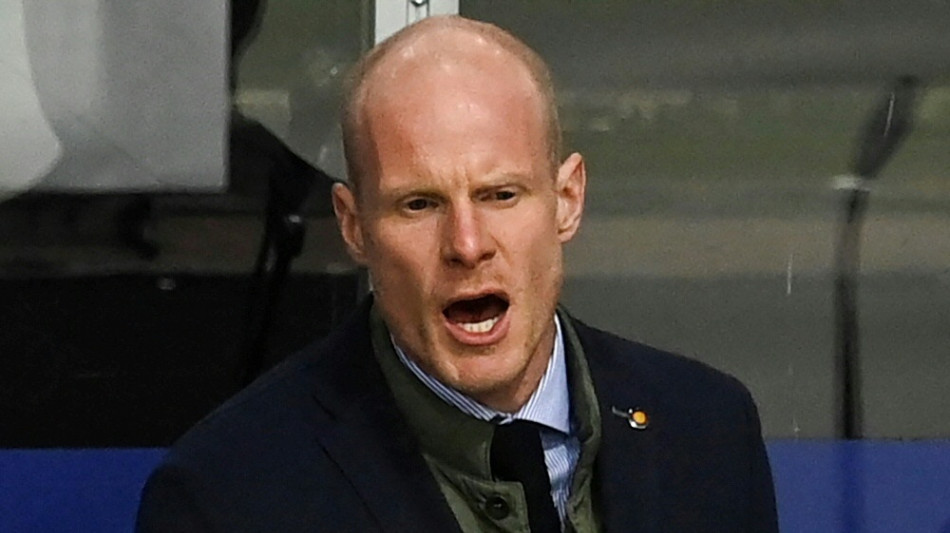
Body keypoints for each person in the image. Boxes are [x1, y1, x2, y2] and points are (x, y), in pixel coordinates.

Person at [137, 15, 778, 533]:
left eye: (501, 195)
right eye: (419, 204)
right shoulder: (229, 496)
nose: (467, 245)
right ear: (354, 227)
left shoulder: (707, 430)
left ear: (567, 200)